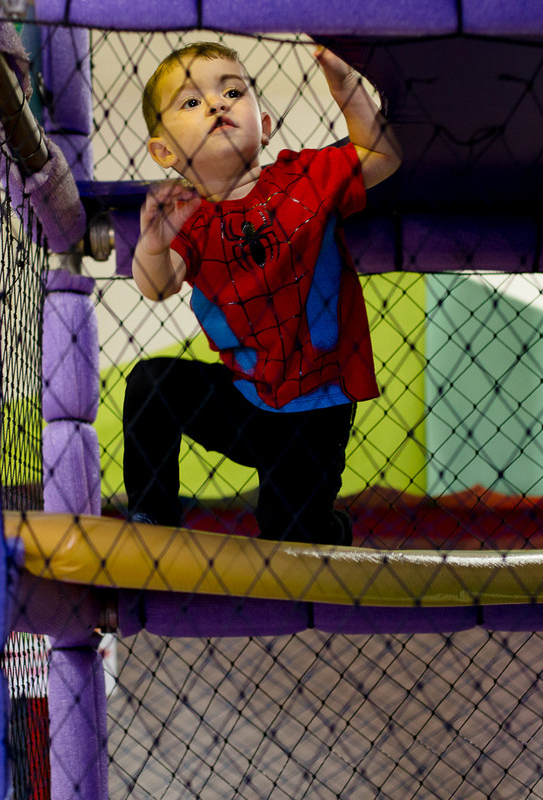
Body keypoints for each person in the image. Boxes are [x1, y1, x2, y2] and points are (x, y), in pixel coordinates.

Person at [125, 42, 401, 545]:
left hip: (316, 406)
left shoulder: (305, 178)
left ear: (265, 125)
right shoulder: (190, 215)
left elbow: (384, 154)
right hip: (244, 399)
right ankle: (152, 521)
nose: (216, 104)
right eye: (191, 102)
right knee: (151, 384)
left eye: (232, 90)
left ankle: (327, 528)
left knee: (289, 540)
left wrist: (347, 91)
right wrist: (153, 241)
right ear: (165, 152)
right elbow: (157, 285)